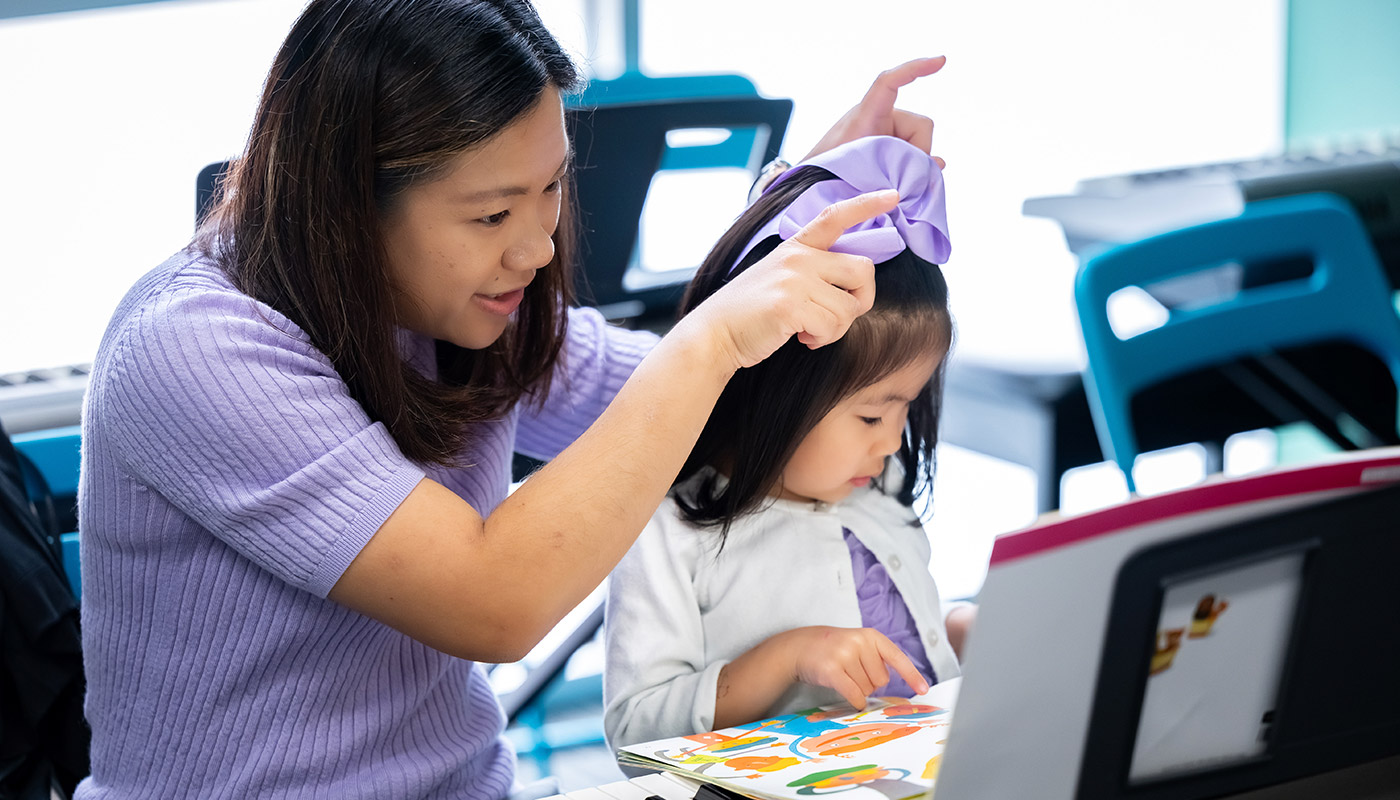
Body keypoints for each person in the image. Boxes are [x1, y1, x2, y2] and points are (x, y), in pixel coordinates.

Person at [74, 0, 948, 796]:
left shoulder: (461, 308)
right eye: (492, 216)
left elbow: (702, 412)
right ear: (347, 203)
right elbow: (494, 599)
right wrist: (713, 334)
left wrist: (794, 214)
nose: (536, 249)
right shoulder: (194, 347)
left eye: (552, 188)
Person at [603, 135, 977, 750]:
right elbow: (635, 735)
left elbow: (905, 644)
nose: (892, 444)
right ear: (774, 387)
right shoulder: (667, 528)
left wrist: (959, 629)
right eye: (870, 417)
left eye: (907, 410)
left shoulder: (873, 484)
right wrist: (787, 659)